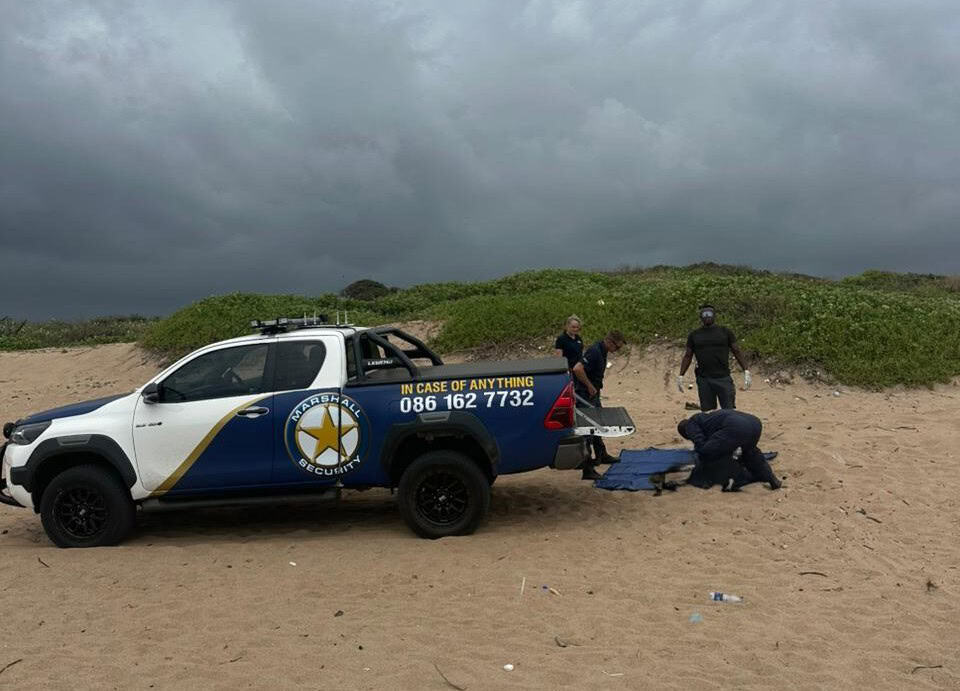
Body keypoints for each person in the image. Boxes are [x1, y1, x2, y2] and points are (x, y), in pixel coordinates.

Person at [677, 410, 781, 490]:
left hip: (735, 427)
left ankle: (705, 480)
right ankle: (772, 479)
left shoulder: (690, 425)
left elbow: (701, 445)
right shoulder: (707, 418)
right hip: (754, 423)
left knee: (706, 452)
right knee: (750, 453)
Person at [571, 330, 626, 480]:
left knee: (598, 424)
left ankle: (601, 454)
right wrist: (589, 386)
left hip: (593, 394)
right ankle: (587, 469)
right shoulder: (595, 351)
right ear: (609, 341)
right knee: (587, 431)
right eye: (617, 347)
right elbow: (577, 369)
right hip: (584, 395)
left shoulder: (602, 350)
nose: (617, 350)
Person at [678, 304, 751, 411]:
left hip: (723, 377)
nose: (707, 316)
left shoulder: (725, 332)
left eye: (710, 313)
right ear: (701, 317)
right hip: (704, 379)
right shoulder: (694, 335)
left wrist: (746, 370)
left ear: (714, 315)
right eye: (704, 314)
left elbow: (736, 351)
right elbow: (688, 356)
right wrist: (681, 375)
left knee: (728, 410)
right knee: (708, 411)